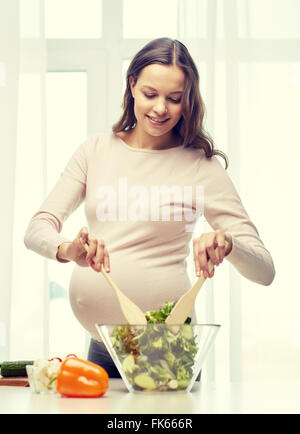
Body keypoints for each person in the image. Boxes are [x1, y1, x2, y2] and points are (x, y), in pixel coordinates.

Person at [24, 37, 275, 378]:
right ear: (132, 86)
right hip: (100, 347)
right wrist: (69, 249)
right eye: (150, 94)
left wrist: (228, 243)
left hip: (167, 351)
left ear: (188, 100)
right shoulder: (95, 151)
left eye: (174, 99)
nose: (160, 109)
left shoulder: (200, 167)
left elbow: (265, 271)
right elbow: (37, 229)